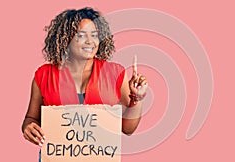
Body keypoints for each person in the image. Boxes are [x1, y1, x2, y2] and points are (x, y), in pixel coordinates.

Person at [21, 7, 147, 152]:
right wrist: (28, 127)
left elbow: (128, 129)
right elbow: (31, 118)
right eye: (81, 35)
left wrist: (137, 98)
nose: (90, 41)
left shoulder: (115, 73)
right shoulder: (44, 75)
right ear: (66, 39)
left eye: (94, 35)